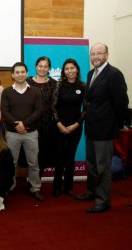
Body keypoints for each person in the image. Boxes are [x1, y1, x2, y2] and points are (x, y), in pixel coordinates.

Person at [76, 43, 129, 213]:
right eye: (93, 54)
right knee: (91, 164)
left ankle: (103, 200)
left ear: (107, 55)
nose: (95, 57)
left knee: (102, 166)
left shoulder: (114, 74)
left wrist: (120, 125)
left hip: (105, 129)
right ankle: (92, 192)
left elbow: (121, 103)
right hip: (91, 127)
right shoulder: (92, 73)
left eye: (99, 53)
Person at [1, 62, 44, 201]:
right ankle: (9, 186)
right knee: (11, 162)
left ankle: (35, 187)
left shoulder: (35, 91)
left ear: (26, 73)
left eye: (22, 72)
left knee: (33, 162)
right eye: (17, 72)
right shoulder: (7, 92)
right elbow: (5, 112)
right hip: (12, 134)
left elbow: (39, 111)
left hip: (31, 133)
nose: (20, 74)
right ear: (13, 75)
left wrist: (24, 124)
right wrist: (17, 126)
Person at [52, 58, 85, 197]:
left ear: (77, 69)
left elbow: (87, 108)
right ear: (63, 71)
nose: (69, 71)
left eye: (72, 68)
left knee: (70, 158)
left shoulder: (83, 86)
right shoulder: (59, 85)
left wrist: (76, 125)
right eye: (67, 69)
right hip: (58, 126)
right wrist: (59, 123)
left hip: (75, 127)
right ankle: (57, 187)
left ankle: (69, 187)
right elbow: (52, 107)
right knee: (59, 157)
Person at [26, 56, 57, 176]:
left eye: (45, 66)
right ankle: (30, 179)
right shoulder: (28, 82)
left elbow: (55, 105)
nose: (42, 69)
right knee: (30, 154)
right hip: (30, 124)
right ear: (36, 67)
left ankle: (37, 181)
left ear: (49, 68)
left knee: (43, 154)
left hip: (47, 125)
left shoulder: (54, 84)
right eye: (40, 66)